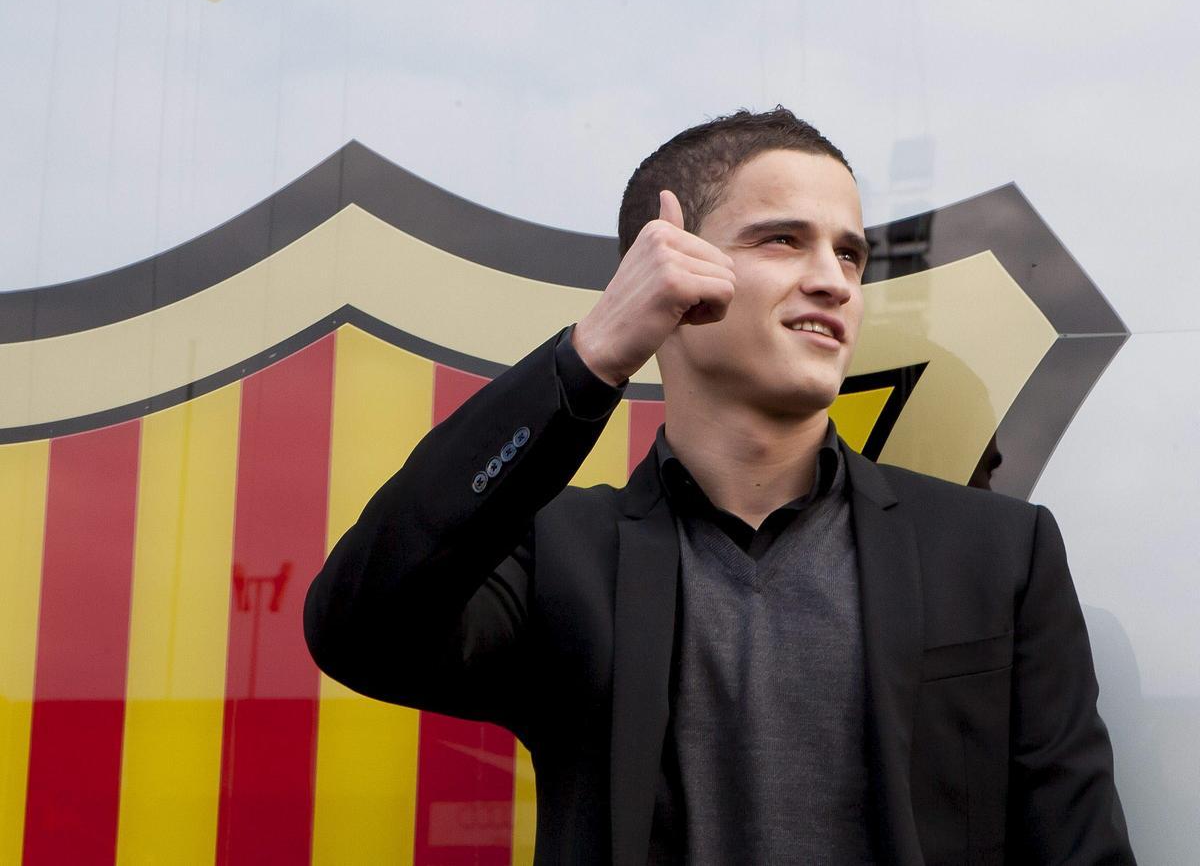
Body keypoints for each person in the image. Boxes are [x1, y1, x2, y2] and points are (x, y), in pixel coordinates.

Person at [304, 108, 1134, 865]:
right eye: (783, 241)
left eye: (849, 252)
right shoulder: (559, 554)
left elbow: (1077, 845)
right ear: (663, 269)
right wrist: (590, 356)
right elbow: (358, 627)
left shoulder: (997, 551)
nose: (835, 280)